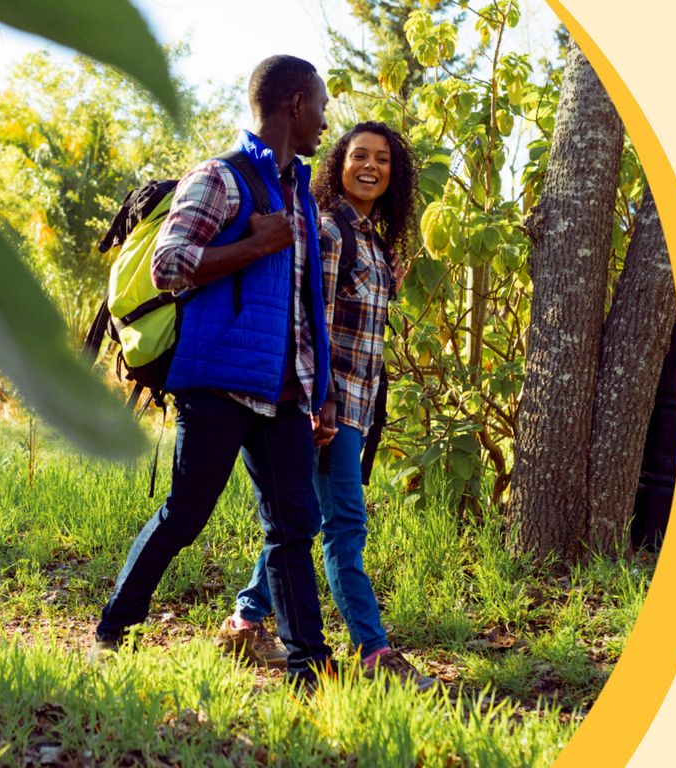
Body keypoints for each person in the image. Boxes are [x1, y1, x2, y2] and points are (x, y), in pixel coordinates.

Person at [92, 55, 335, 688]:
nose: (325, 119)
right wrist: (255, 244)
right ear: (294, 104)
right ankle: (113, 631)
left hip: (283, 393)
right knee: (185, 515)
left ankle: (310, 669)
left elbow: (305, 305)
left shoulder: (300, 193)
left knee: (293, 529)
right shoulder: (219, 178)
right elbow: (168, 265)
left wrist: (321, 390)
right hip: (218, 384)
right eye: (320, 105)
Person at [218, 121, 437, 689]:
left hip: (355, 406)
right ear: (339, 164)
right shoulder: (332, 230)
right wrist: (324, 404)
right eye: (359, 155)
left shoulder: (371, 239)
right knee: (345, 527)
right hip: (329, 408)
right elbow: (314, 322)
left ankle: (244, 623)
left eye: (382, 159)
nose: (371, 167)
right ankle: (373, 651)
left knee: (306, 519)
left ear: (394, 174)